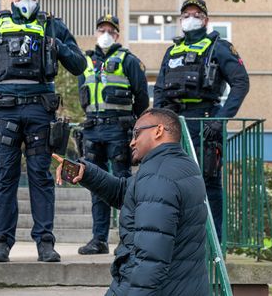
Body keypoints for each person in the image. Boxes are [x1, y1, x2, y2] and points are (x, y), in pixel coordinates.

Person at [0, 0, 87, 263]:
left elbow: (80, 65)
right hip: (4, 110)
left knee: (41, 177)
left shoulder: (51, 25)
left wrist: (60, 47)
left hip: (39, 111)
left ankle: (45, 243)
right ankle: (2, 244)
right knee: (5, 177)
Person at [53, 108, 209, 295]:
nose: (132, 141)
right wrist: (86, 173)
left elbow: (150, 259)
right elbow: (126, 193)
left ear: (158, 131)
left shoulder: (158, 176)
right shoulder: (179, 166)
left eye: (136, 133)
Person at [153, 0, 249, 240]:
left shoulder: (219, 47)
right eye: (186, 14)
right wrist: (158, 119)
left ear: (205, 19)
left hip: (206, 122)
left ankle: (214, 243)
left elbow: (240, 83)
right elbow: (160, 89)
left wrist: (221, 119)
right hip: (174, 123)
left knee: (208, 181)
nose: (190, 18)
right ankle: (179, 241)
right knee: (171, 181)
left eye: (196, 14)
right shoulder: (172, 50)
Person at [76, 14, 149, 255]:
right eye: (102, 29)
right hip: (92, 129)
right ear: (96, 33)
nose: (106, 34)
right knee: (96, 184)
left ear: (117, 35)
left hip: (119, 130)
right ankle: (99, 240)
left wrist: (132, 125)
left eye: (110, 30)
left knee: (124, 184)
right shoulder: (85, 62)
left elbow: (141, 98)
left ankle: (128, 239)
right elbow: (82, 94)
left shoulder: (128, 61)